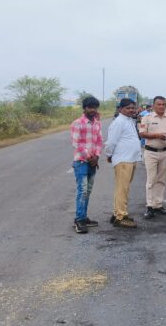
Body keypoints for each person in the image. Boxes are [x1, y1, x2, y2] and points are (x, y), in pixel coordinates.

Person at [104, 98, 142, 228]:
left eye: (133, 107)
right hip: (124, 160)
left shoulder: (129, 120)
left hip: (130, 159)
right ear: (120, 109)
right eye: (128, 108)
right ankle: (121, 217)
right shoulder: (119, 122)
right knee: (122, 189)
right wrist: (109, 154)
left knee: (122, 188)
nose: (131, 110)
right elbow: (111, 142)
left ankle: (116, 214)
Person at [138, 96, 166, 219]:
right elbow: (142, 134)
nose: (161, 106)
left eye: (163, 104)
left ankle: (158, 205)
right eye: (159, 104)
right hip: (151, 152)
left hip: (165, 152)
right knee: (151, 180)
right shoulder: (147, 117)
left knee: (161, 180)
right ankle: (149, 207)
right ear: (154, 106)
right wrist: (156, 135)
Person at [69, 96, 103, 234]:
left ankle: (84, 217)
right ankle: (79, 220)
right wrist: (89, 157)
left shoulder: (97, 123)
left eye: (95, 107)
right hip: (81, 162)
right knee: (82, 191)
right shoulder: (77, 123)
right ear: (84, 108)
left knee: (87, 191)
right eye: (90, 107)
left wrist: (97, 156)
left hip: (93, 162)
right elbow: (76, 143)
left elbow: (99, 141)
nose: (93, 110)